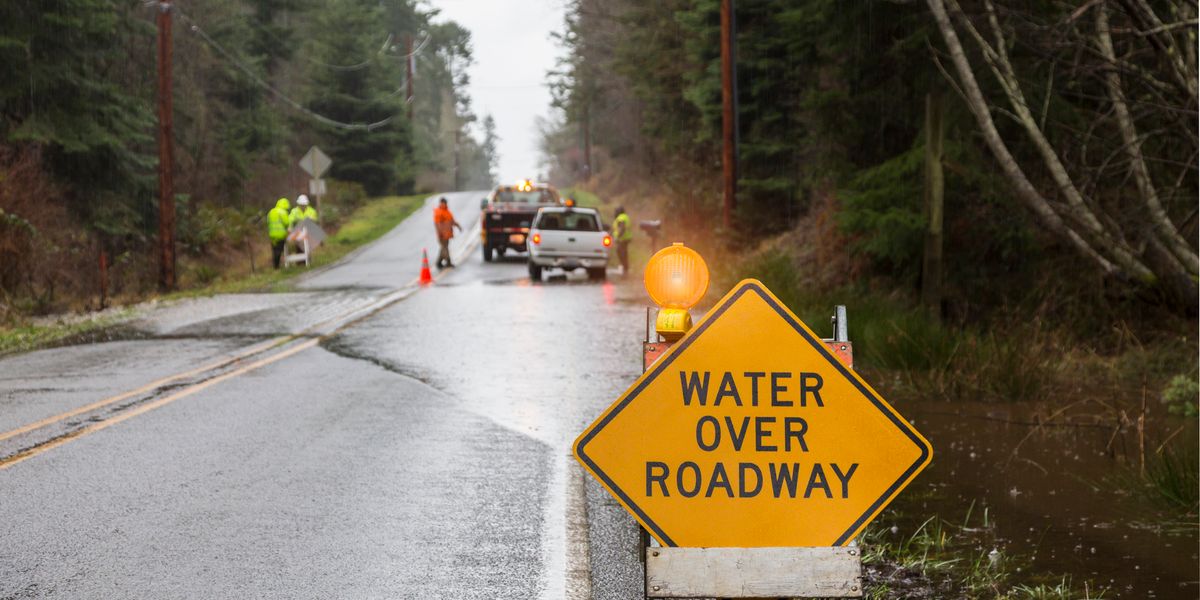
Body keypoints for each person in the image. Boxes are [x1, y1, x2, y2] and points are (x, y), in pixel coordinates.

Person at [432, 197, 462, 269]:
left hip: (448, 234)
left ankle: (438, 262)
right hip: (442, 235)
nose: (444, 204)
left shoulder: (447, 212)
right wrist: (440, 233)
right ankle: (448, 262)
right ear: (440, 203)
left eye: (445, 203)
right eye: (443, 203)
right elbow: (437, 224)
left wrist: (458, 226)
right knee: (445, 248)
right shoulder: (438, 212)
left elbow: (452, 221)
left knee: (443, 248)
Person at [267, 197, 291, 269]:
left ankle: (276, 266)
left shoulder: (271, 211)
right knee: (279, 250)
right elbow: (287, 223)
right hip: (281, 235)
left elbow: (268, 222)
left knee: (274, 250)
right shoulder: (283, 212)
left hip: (272, 236)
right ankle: (277, 267)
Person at [612, 206, 633, 276]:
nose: (614, 213)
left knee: (621, 253)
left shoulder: (621, 218)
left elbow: (622, 228)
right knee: (624, 253)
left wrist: (618, 237)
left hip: (622, 239)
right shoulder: (625, 216)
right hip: (625, 238)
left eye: (615, 211)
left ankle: (625, 269)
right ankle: (625, 269)